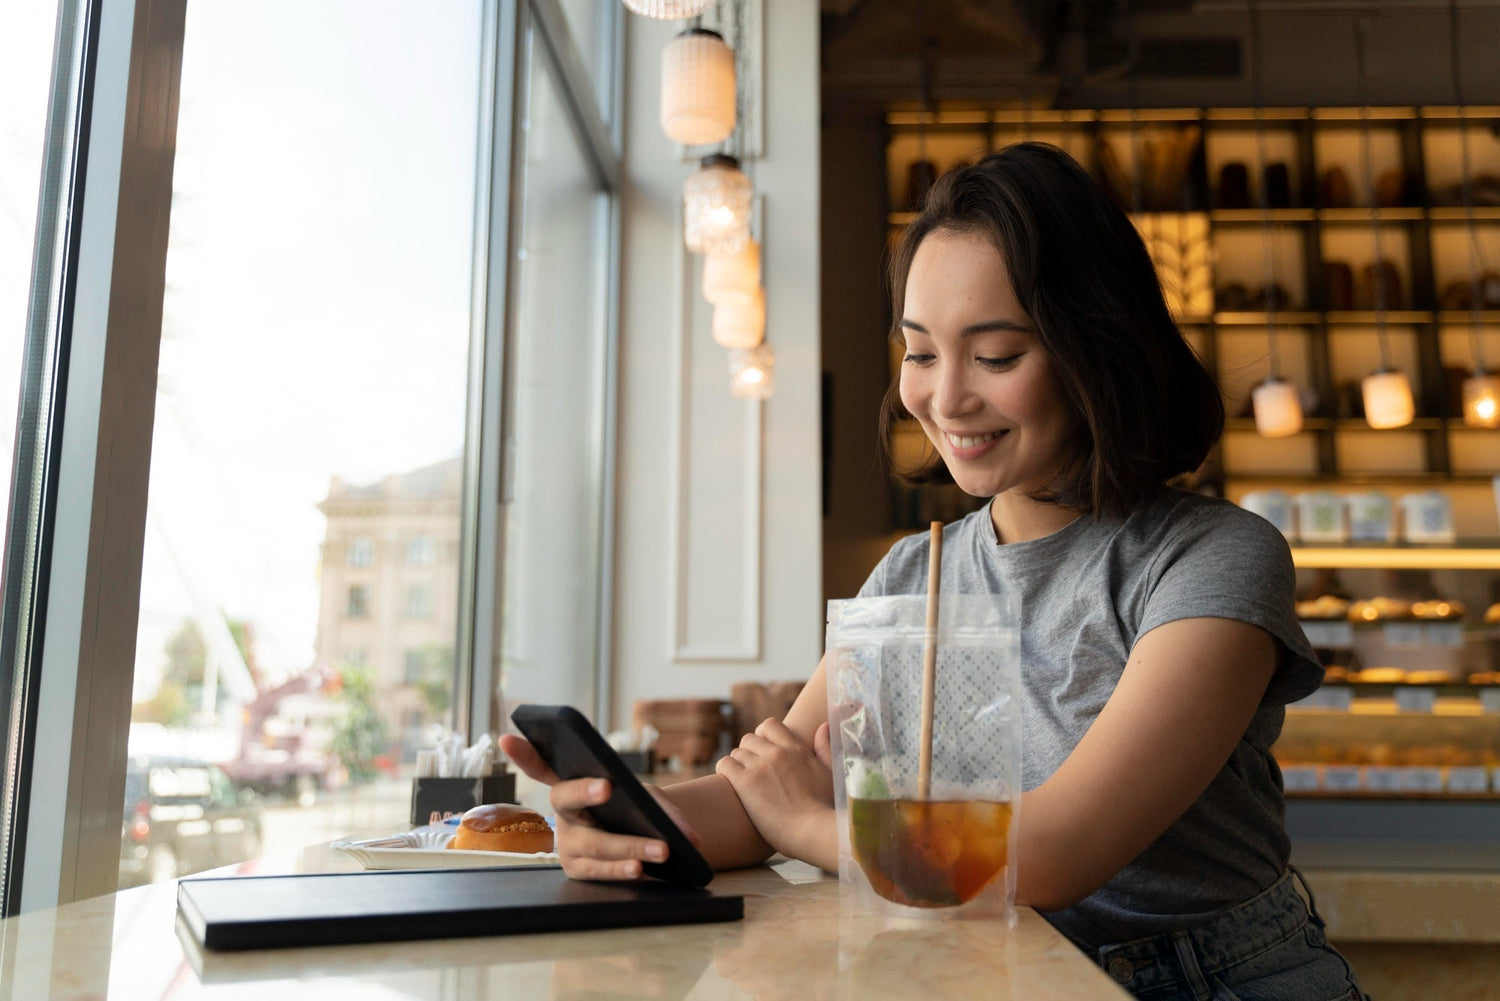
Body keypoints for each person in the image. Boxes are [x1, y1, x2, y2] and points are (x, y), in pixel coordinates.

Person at [500, 142, 1368, 1001]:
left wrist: (808, 823)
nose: (945, 398)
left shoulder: (1212, 558)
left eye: (994, 355)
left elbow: (1053, 852)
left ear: (1096, 348)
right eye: (920, 353)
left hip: (1217, 981)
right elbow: (761, 782)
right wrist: (629, 821)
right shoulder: (916, 572)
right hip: (999, 972)